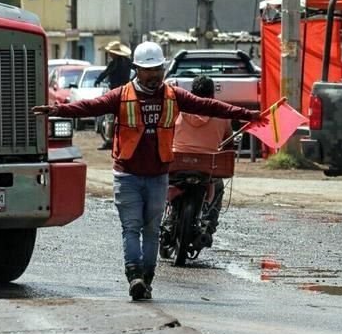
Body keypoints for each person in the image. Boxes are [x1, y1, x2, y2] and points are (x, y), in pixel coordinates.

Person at [32, 41, 258, 302]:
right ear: (137, 70)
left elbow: (209, 106)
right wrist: (58, 110)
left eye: (158, 70)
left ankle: (146, 280)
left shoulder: (174, 95)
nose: (154, 75)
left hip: (158, 176)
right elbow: (90, 107)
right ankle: (134, 277)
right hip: (127, 175)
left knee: (151, 231)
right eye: (148, 70)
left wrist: (246, 114)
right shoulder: (121, 95)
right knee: (131, 228)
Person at [171, 75, 233, 239]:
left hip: (177, 164)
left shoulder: (178, 110)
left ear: (191, 93)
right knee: (218, 186)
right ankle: (209, 226)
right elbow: (228, 143)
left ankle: (166, 216)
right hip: (207, 167)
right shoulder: (222, 114)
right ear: (213, 95)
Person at [94, 41, 133, 150]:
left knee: (110, 117)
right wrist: (132, 81)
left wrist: (97, 80)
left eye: (111, 52)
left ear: (115, 53)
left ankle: (109, 141)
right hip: (126, 91)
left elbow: (105, 73)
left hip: (115, 93)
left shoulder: (114, 63)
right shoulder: (128, 62)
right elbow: (138, 70)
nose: (110, 54)